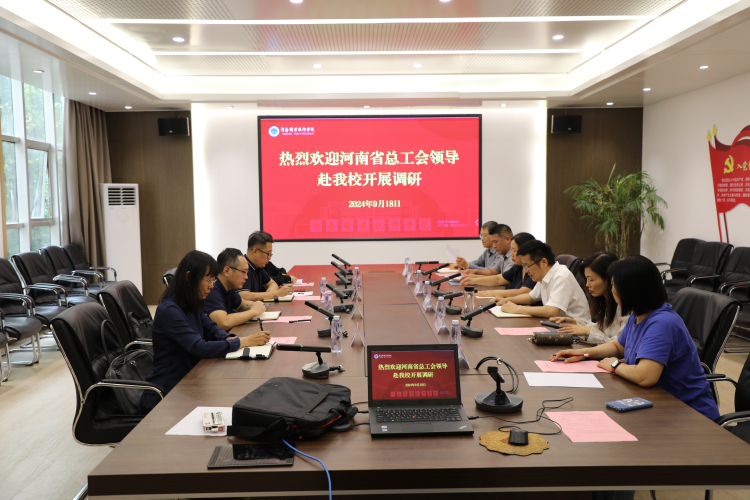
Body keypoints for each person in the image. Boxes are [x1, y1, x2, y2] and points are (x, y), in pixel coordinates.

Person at [550, 255, 719, 421]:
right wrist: (584, 353)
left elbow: (645, 376)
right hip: (658, 405)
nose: (612, 290)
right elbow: (618, 347)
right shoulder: (637, 315)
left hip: (690, 415)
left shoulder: (662, 323)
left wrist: (614, 365)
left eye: (614, 284)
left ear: (630, 289)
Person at [139, 250, 270, 414]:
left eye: (213, 280)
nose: (212, 286)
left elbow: (212, 329)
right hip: (168, 392)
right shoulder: (170, 310)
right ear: (189, 277)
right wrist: (242, 342)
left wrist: (228, 338)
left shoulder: (192, 302)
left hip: (192, 380)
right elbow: (199, 347)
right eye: (208, 280)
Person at [496, 240, 589, 319]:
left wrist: (516, 309)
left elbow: (551, 311)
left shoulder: (561, 276)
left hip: (577, 330)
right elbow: (531, 297)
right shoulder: (544, 275)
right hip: (558, 325)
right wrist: (506, 300)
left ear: (544, 262)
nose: (526, 271)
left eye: (527, 266)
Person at [549, 252, 627, 344]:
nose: (587, 284)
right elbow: (603, 329)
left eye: (591, 280)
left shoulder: (624, 306)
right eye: (586, 279)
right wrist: (575, 322)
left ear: (609, 278)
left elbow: (621, 345)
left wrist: (588, 332)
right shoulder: (606, 301)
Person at [459, 232, 538, 302]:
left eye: (514, 250)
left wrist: (492, 293)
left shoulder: (534, 270)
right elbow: (498, 279)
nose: (511, 254)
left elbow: (523, 292)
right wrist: (474, 280)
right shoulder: (518, 267)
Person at [204, 248, 267, 330]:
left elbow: (240, 304)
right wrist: (253, 312)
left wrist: (255, 305)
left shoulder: (229, 287)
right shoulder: (212, 289)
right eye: (244, 272)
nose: (246, 277)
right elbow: (223, 322)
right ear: (227, 271)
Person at [241, 231, 294, 301]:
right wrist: (277, 293)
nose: (269, 258)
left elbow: (272, 283)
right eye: (268, 254)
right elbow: (244, 295)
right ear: (255, 252)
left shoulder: (258, 267)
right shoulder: (241, 267)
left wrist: (269, 293)